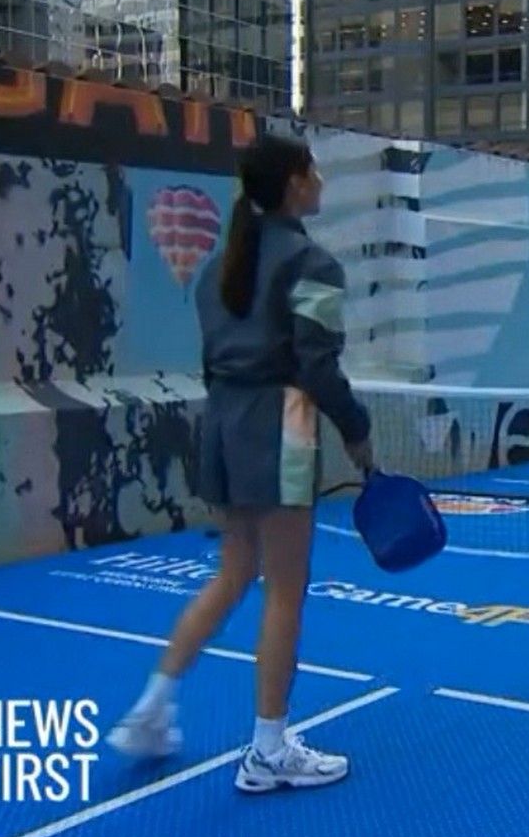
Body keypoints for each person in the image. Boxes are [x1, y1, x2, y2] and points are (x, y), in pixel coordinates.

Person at [105, 133, 374, 795]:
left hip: (223, 425)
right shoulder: (314, 265)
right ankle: (269, 750)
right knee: (285, 588)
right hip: (280, 426)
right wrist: (357, 432)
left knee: (233, 573)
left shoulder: (216, 269)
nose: (320, 181)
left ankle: (151, 709)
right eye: (313, 171)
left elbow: (218, 359)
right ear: (294, 183)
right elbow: (318, 366)